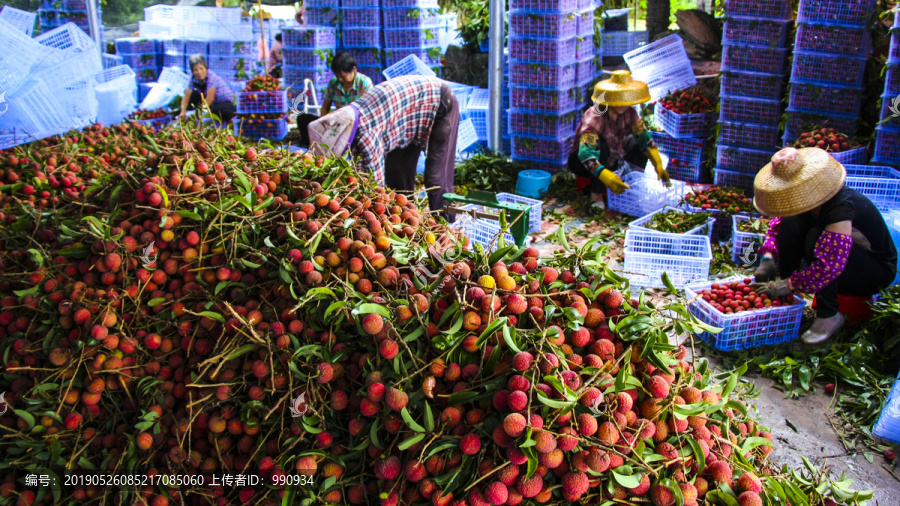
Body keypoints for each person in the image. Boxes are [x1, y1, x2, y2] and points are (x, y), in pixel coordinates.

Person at [751, 147, 898, 344]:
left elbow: (831, 263)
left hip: (874, 270)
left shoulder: (841, 207)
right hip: (843, 260)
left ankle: (829, 315)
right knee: (791, 222)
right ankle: (790, 301)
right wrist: (767, 256)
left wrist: (789, 284)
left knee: (816, 237)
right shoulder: (803, 200)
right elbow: (778, 227)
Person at [306, 75, 459, 218]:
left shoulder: (366, 131)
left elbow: (376, 182)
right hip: (407, 116)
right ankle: (409, 218)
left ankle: (446, 227)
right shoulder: (348, 122)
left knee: (436, 178)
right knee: (396, 172)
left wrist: (370, 210)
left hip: (440, 102)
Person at [567, 70, 668, 209]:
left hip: (614, 156)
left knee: (635, 142)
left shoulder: (630, 113)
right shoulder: (595, 116)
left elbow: (644, 138)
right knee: (600, 145)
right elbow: (586, 154)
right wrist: (605, 175)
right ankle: (596, 196)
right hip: (583, 161)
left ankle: (630, 185)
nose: (622, 103)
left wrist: (657, 163)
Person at [178, 55, 236, 126]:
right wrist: (182, 112)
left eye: (201, 68)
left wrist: (198, 114)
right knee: (193, 96)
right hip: (215, 104)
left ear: (206, 68)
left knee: (216, 109)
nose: (199, 72)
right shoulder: (193, 78)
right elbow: (186, 96)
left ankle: (224, 125)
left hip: (228, 104)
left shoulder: (211, 77)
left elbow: (210, 99)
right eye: (196, 70)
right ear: (192, 71)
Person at [320, 52, 373, 117]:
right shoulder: (333, 82)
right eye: (337, 76)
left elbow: (369, 110)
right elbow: (325, 107)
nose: (339, 79)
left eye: (343, 76)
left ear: (354, 69)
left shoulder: (364, 82)